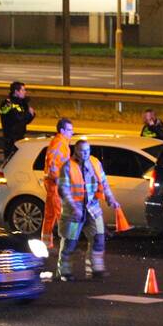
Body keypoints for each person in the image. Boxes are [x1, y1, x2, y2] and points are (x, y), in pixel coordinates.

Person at [56, 138, 120, 281]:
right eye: (81, 151)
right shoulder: (67, 167)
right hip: (74, 213)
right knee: (70, 242)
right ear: (76, 151)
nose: (85, 154)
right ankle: (64, 272)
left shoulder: (95, 163)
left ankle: (96, 270)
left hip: (93, 209)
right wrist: (74, 207)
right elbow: (64, 190)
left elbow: (104, 183)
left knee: (99, 238)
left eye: (87, 151)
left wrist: (111, 199)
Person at [41, 118, 74, 251]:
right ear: (62, 130)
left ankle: (45, 242)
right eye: (69, 130)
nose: (72, 132)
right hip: (56, 184)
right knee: (62, 213)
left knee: (50, 214)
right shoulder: (60, 143)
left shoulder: (60, 142)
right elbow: (53, 164)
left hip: (52, 183)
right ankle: (67, 243)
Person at [0, 81, 35, 159]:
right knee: (10, 163)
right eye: (23, 90)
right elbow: (18, 118)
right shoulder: (7, 104)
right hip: (11, 140)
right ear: (16, 92)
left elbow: (26, 120)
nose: (25, 92)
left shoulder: (21, 103)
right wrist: (29, 114)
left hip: (20, 138)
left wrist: (31, 115)